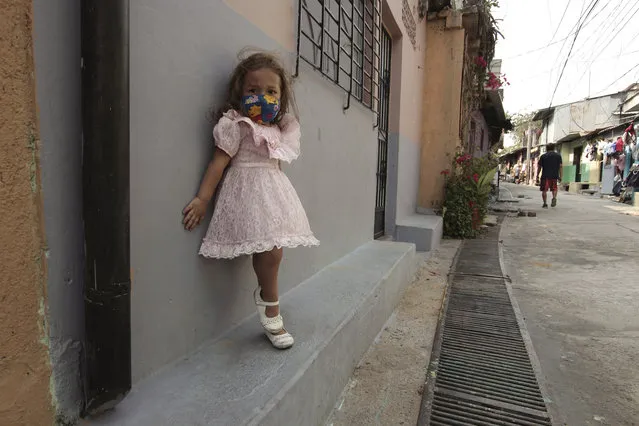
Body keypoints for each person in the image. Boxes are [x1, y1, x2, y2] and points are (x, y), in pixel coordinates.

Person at [182, 52, 320, 349]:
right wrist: (202, 199)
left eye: (271, 92)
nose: (262, 97)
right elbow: (218, 164)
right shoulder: (237, 125)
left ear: (280, 98)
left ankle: (269, 301)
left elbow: (277, 164)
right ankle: (270, 305)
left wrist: (278, 199)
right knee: (269, 252)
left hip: (272, 193)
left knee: (274, 252)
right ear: (240, 93)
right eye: (253, 91)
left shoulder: (279, 130)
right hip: (244, 192)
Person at [537, 143, 563, 208]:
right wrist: (561, 176)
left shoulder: (543, 156)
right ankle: (554, 198)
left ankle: (545, 204)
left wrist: (537, 175)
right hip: (554, 176)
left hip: (545, 176)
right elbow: (560, 167)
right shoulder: (558, 156)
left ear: (546, 148)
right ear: (554, 148)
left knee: (544, 190)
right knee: (554, 188)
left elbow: (539, 167)